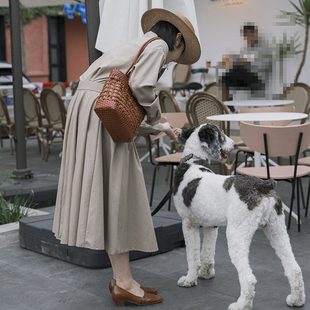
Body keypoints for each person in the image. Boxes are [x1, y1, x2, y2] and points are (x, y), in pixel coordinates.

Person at [52, 8, 201, 307]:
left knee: (112, 193)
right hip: (99, 112)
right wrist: (158, 119)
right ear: (178, 39)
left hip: (92, 108)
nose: (174, 61)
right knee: (117, 192)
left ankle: (123, 279)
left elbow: (124, 99)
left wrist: (157, 126)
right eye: (179, 54)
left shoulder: (138, 44)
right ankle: (123, 281)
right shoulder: (158, 46)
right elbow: (141, 88)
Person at [220, 23, 273, 107]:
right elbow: (245, 63)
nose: (248, 38)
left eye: (249, 35)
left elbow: (266, 66)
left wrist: (250, 62)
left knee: (232, 72)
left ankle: (228, 105)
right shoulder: (248, 48)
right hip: (248, 76)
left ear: (255, 34)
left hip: (258, 78)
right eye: (246, 37)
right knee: (226, 76)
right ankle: (228, 103)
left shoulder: (264, 48)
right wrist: (238, 61)